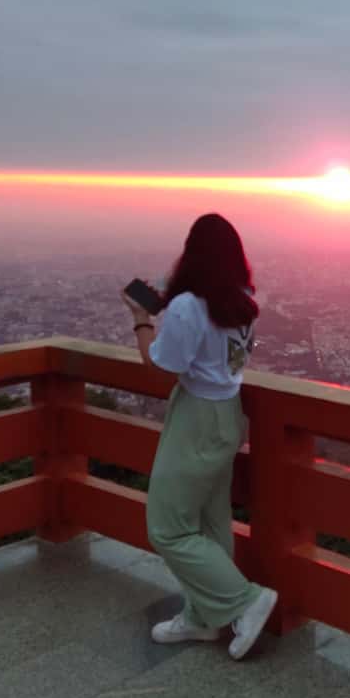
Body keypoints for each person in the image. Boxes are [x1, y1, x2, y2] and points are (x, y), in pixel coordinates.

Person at [121, 213, 277, 660]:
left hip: (197, 418)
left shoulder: (191, 305)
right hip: (229, 414)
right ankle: (203, 618)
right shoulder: (245, 300)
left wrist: (140, 320)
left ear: (192, 255)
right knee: (211, 523)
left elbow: (161, 368)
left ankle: (245, 600)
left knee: (167, 527)